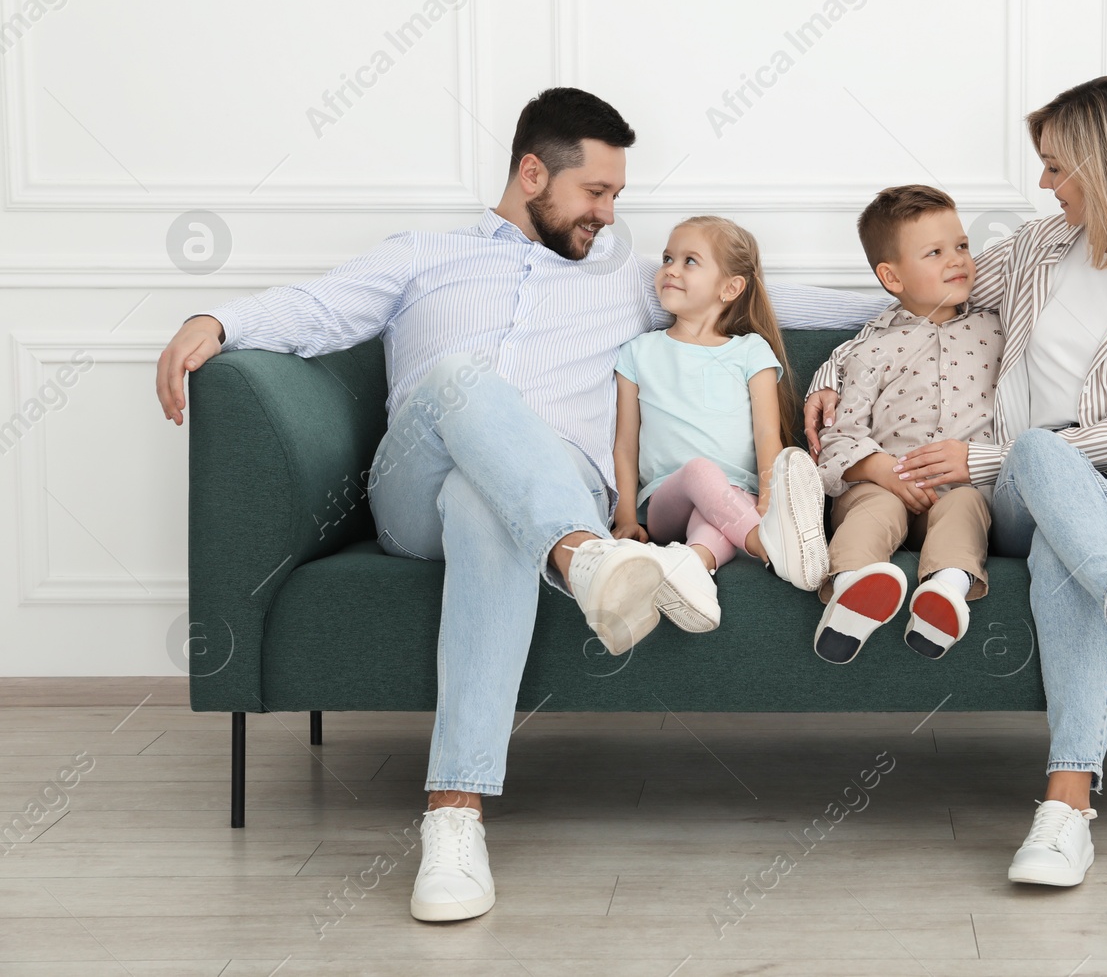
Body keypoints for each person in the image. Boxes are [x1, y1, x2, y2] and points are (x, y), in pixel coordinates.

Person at [155, 87, 889, 922]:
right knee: (462, 381)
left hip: (543, 491)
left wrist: (910, 311)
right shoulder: (422, 255)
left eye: (617, 195)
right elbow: (319, 308)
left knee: (486, 506)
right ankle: (588, 559)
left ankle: (453, 818)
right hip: (412, 498)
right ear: (532, 172)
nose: (610, 216)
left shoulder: (628, 280)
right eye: (595, 192)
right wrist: (217, 317)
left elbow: (767, 301)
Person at [805, 76, 1107, 888]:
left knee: (1056, 528)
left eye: (1055, 167)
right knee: (1042, 455)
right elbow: (915, 306)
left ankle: (1065, 809)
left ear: (1106, 166)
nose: (1043, 185)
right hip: (1022, 487)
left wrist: (982, 458)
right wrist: (826, 368)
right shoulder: (1039, 250)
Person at [811, 185, 1004, 664]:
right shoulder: (869, 349)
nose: (957, 260)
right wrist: (877, 469)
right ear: (891, 276)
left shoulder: (999, 332)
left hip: (959, 485)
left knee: (966, 507)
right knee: (874, 510)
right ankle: (853, 588)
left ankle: (946, 591)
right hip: (880, 483)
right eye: (934, 252)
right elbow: (839, 436)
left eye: (961, 246)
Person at [612, 215, 829, 634]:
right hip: (665, 502)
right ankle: (769, 545)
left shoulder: (751, 351)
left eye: (690, 260)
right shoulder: (638, 352)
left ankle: (692, 565)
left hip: (740, 498)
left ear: (730, 288)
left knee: (712, 523)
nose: (670, 269)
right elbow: (625, 444)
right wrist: (625, 516)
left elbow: (768, 433)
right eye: (667, 258)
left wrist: (767, 495)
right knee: (698, 470)